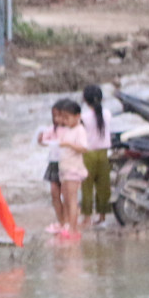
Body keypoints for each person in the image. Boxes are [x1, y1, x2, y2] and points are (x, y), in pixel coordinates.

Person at [34, 98, 88, 239]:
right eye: (58, 116)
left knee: (71, 200)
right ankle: (67, 225)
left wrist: (67, 144)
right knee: (64, 197)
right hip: (63, 168)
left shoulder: (78, 130)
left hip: (72, 170)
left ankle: (72, 229)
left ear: (77, 116)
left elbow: (83, 148)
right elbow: (50, 142)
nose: (61, 120)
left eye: (65, 117)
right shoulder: (67, 129)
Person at [78, 85, 114, 228]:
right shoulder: (107, 114)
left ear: (85, 100)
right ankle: (102, 217)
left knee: (87, 186)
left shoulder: (84, 117)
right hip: (104, 153)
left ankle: (87, 217)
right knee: (103, 186)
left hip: (89, 154)